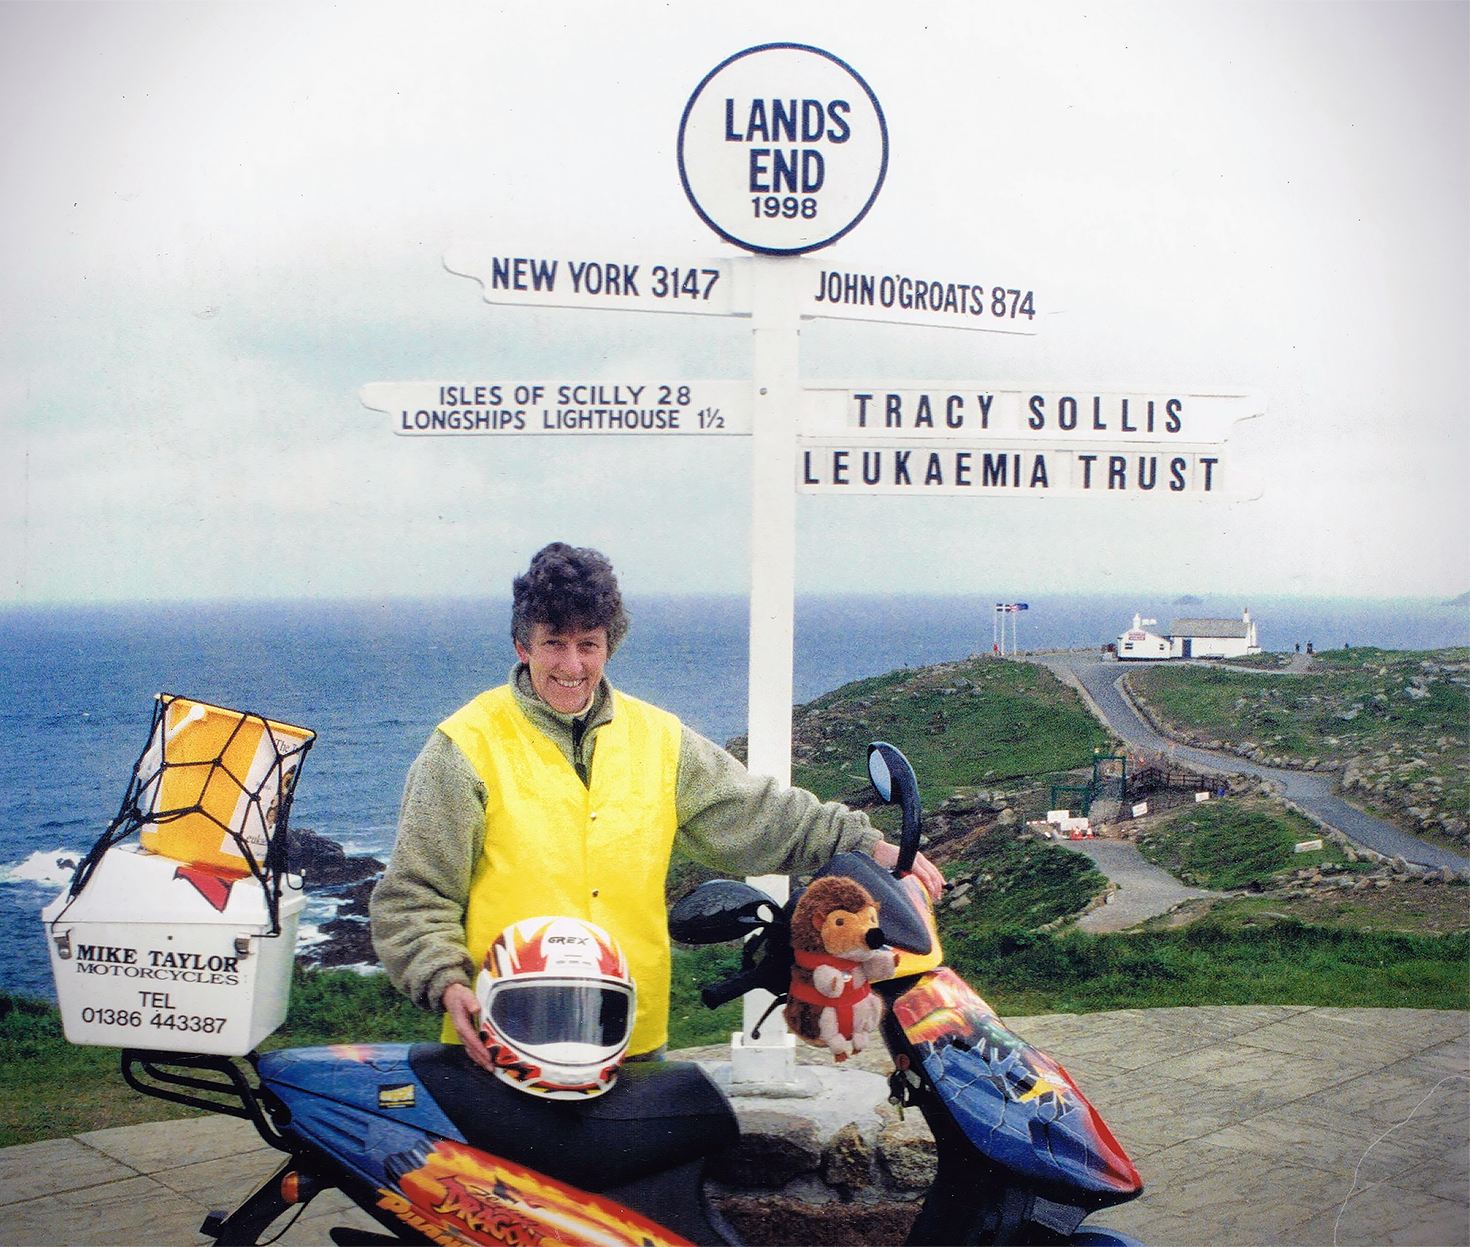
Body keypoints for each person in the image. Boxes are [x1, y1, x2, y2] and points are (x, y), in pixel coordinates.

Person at [371, 542, 943, 1071]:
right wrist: (445, 982)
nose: (572, 665)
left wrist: (866, 844)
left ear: (608, 646)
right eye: (553, 643)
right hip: (500, 1034)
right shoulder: (463, 746)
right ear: (522, 645)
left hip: (632, 1038)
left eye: (588, 644)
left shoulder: (660, 739)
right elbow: (415, 896)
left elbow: (758, 813)